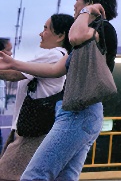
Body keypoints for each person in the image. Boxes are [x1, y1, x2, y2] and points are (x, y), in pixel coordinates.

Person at [0, 0, 120, 181]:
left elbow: (75, 36)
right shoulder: (86, 38)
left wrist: (86, 11)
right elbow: (55, 69)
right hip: (77, 112)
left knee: (34, 175)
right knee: (63, 177)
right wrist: (13, 64)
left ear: (90, 2)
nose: (74, 5)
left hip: (80, 112)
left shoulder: (102, 28)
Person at [0, 14, 73, 181]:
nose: (41, 33)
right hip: (32, 127)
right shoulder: (62, 56)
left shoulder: (54, 55)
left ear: (60, 35)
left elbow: (14, 74)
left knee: (8, 176)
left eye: (46, 29)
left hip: (31, 131)